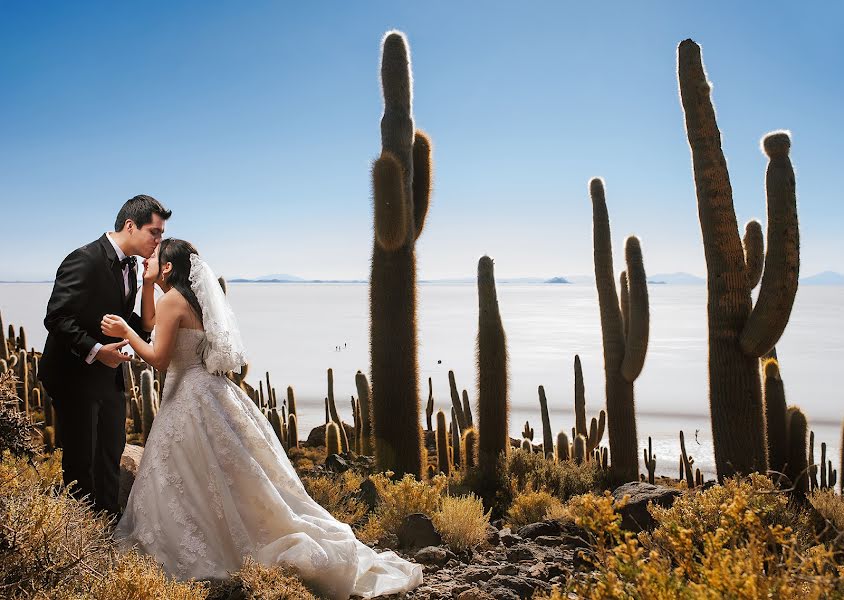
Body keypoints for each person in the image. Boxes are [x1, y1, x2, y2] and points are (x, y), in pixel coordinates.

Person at [103, 239, 422, 599]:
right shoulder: (186, 299)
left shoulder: (172, 300)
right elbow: (151, 321)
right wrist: (146, 288)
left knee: (186, 475)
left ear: (167, 267)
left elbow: (158, 358)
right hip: (208, 391)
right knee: (220, 474)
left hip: (187, 396)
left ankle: (207, 544)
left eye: (153, 258)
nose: (146, 258)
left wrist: (125, 333)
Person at [39, 195, 171, 516]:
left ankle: (109, 529)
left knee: (111, 453)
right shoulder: (83, 259)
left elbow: (134, 326)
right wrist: (97, 352)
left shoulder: (132, 269)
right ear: (130, 226)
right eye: (154, 232)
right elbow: (56, 318)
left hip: (108, 377)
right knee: (82, 462)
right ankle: (81, 541)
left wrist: (149, 286)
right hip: (73, 376)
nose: (159, 241)